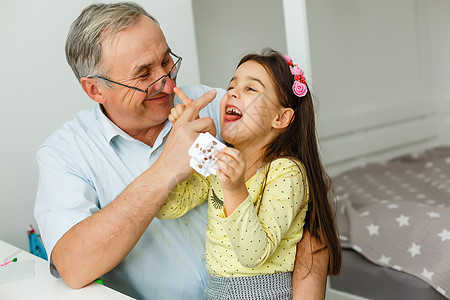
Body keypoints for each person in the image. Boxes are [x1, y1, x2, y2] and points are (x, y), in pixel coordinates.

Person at [33, 2, 335, 299]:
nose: (165, 84)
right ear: (95, 89)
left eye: (166, 61)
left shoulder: (226, 110)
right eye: (143, 74)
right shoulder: (65, 154)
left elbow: (310, 216)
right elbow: (73, 267)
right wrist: (167, 167)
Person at [157, 49, 342, 299]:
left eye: (250, 89)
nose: (232, 92)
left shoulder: (287, 172)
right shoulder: (219, 159)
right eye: (231, 85)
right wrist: (185, 139)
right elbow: (166, 206)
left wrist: (234, 189)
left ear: (280, 117)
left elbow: (254, 254)